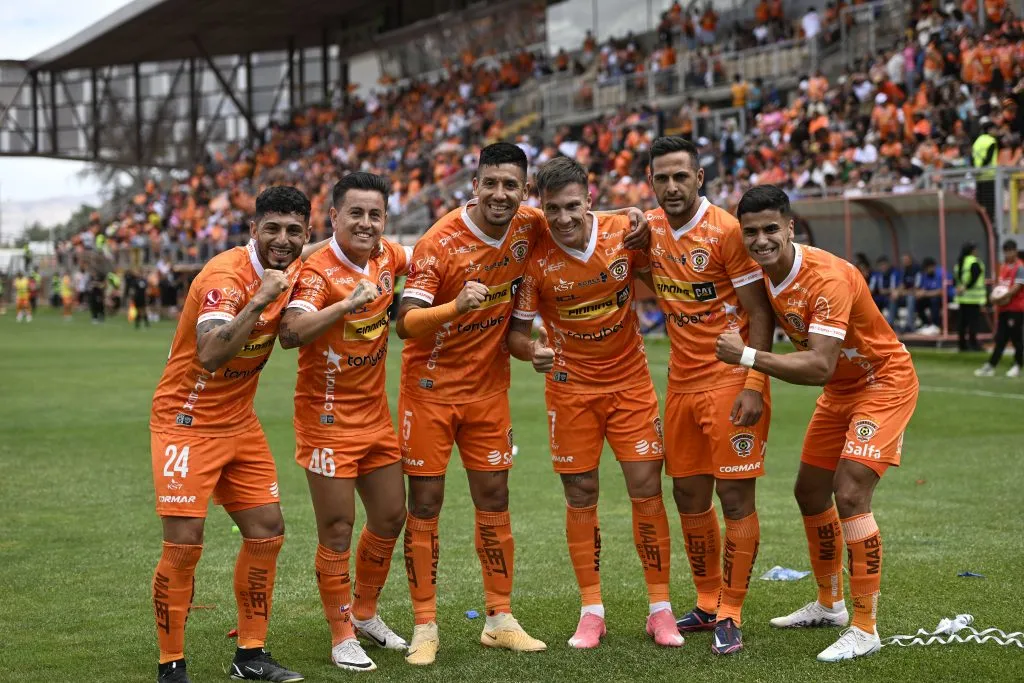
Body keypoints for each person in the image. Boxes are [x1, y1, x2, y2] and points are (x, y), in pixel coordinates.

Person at [395, 142, 648, 665]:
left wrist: (634, 215)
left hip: (489, 390)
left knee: (495, 500)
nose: (501, 194)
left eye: (511, 185)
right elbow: (405, 323)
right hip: (430, 392)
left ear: (523, 189)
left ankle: (499, 618)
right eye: (492, 183)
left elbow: (586, 215)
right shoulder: (438, 243)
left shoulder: (531, 223)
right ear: (475, 185)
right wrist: (453, 306)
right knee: (424, 505)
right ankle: (424, 625)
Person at [719, 185, 918, 662]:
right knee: (809, 491)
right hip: (842, 392)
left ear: (791, 228)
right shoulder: (763, 272)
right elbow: (764, 317)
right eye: (751, 232)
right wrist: (753, 382)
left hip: (882, 383)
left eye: (771, 229)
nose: (762, 240)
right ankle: (829, 605)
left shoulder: (826, 277)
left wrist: (746, 355)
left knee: (849, 493)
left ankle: (865, 627)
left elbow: (819, 366)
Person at [506, 157, 682, 650]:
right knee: (580, 493)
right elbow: (517, 337)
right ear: (541, 208)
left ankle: (660, 609)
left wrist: (639, 219)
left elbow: (664, 237)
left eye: (572, 207)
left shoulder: (623, 232)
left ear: (590, 199)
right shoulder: (535, 259)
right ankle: (592, 611)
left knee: (646, 487)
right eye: (553, 209)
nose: (563, 218)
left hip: (630, 383)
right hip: (570, 388)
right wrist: (532, 352)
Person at [148, 186, 313, 683]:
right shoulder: (225, 276)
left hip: (239, 420)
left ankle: (251, 655)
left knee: (268, 530)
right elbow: (212, 354)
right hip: (186, 420)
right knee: (184, 542)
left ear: (306, 233)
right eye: (273, 229)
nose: (282, 240)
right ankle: (170, 665)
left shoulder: (298, 266)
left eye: (293, 231)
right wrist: (260, 300)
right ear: (253, 230)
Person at [642, 136, 775, 655]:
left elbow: (760, 313)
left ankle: (733, 612)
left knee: (736, 497)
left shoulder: (726, 232)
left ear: (699, 178)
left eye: (681, 176)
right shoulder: (648, 229)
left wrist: (754, 383)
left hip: (729, 383)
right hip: (679, 385)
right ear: (651, 182)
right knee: (688, 495)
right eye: (662, 178)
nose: (671, 186)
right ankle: (705, 600)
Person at [278, 173, 410, 672]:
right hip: (326, 419)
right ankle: (341, 635)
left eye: (375, 214)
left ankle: (367, 613)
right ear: (334, 217)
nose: (366, 223)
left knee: (391, 516)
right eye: (355, 213)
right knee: (337, 528)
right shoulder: (314, 271)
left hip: (374, 417)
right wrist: (345, 305)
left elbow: (434, 251)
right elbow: (291, 333)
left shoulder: (388, 258)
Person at [975, 239, 1024, 377]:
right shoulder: (1003, 267)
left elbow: (1017, 287)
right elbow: (999, 286)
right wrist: (993, 296)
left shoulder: (1020, 267)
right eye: (1006, 251)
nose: (1008, 254)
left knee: (1016, 338)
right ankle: (991, 365)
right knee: (1001, 338)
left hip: (1016, 309)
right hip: (1003, 309)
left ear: (1015, 251)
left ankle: (1017, 365)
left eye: (1010, 251)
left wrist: (1000, 298)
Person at [954, 241, 985, 351]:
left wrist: (960, 288)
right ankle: (974, 344)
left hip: (962, 298)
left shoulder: (959, 263)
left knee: (962, 323)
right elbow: (975, 276)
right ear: (972, 250)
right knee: (973, 323)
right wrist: (966, 287)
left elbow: (955, 280)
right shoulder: (974, 261)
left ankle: (962, 345)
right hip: (973, 298)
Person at [914, 257, 945, 334]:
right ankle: (927, 324)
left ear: (932, 266)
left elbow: (941, 291)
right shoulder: (926, 275)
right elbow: (923, 289)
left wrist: (925, 294)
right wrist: (920, 293)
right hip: (930, 297)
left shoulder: (940, 273)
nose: (926, 271)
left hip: (945, 298)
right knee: (919, 302)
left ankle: (936, 326)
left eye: (927, 268)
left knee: (934, 300)